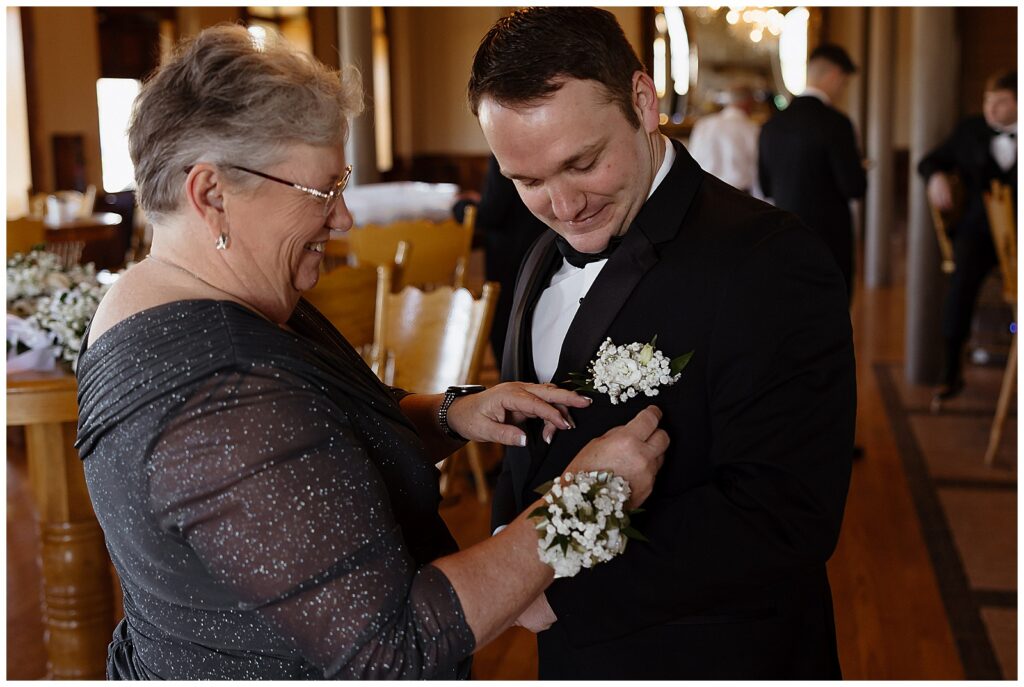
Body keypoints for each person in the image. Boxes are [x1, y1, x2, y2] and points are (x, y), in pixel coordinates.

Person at [74, 25, 667, 680]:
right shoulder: (215, 398)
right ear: (211, 194)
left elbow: (320, 430)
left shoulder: (185, 302)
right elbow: (392, 648)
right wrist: (587, 500)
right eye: (321, 191)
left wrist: (448, 415)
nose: (344, 218)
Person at [468, 7, 855, 679]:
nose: (563, 206)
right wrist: (513, 554)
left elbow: (786, 514)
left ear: (643, 103)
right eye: (526, 181)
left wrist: (554, 586)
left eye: (583, 162)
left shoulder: (770, 260)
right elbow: (531, 456)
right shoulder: (538, 256)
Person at [918, 70, 1017, 405]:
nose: (991, 109)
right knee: (961, 285)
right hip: (978, 231)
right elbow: (930, 160)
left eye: (1001, 102)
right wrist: (936, 178)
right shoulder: (971, 130)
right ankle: (950, 370)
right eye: (988, 101)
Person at [758, 43, 867, 302]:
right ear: (834, 76)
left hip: (784, 239)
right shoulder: (836, 123)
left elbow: (766, 187)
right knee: (831, 316)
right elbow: (854, 187)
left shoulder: (772, 125)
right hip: (829, 242)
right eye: (844, 83)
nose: (843, 90)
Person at [687, 85, 762, 196]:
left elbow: (692, 162)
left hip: (704, 196)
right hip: (740, 198)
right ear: (748, 102)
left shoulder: (703, 125)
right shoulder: (752, 129)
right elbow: (756, 170)